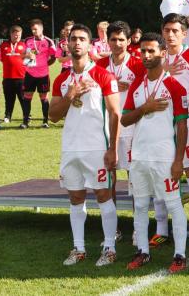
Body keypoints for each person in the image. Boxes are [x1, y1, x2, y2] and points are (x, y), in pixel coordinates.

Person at [48, 23, 120, 267]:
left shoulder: (103, 75)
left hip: (97, 148)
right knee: (75, 197)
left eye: (81, 39)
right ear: (67, 45)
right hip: (71, 148)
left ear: (90, 45)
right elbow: (53, 115)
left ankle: (109, 248)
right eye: (73, 39)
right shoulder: (61, 80)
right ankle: (78, 248)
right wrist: (72, 94)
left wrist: (112, 148)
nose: (77, 43)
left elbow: (115, 114)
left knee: (103, 195)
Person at [121, 33, 189, 274]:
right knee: (139, 205)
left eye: (151, 51)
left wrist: (179, 159)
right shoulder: (137, 85)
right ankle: (142, 251)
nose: (146, 56)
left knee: (173, 205)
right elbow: (126, 119)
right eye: (143, 51)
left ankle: (180, 254)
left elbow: (182, 125)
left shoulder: (174, 85)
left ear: (162, 53)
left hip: (164, 157)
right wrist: (145, 108)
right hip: (139, 156)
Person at [149, 14, 189, 249]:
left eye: (176, 30)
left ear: (185, 33)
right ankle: (162, 228)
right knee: (161, 179)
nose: (171, 35)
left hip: (187, 124)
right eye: (167, 30)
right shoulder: (155, 57)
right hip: (160, 125)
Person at [96, 21, 145, 237]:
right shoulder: (99, 67)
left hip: (133, 129)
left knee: (136, 181)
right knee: (109, 179)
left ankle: (138, 228)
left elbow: (147, 90)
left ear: (128, 41)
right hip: (107, 129)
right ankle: (112, 228)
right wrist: (111, 83)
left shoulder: (138, 64)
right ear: (108, 41)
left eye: (121, 39)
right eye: (113, 39)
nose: (117, 43)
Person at [21, 18, 59, 129]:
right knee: (27, 97)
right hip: (30, 73)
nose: (34, 31)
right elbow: (23, 55)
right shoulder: (28, 40)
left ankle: (45, 121)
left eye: (36, 29)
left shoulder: (48, 41)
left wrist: (45, 65)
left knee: (44, 98)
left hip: (43, 75)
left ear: (41, 29)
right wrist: (27, 56)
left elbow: (54, 57)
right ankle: (25, 121)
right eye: (32, 30)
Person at [0, 25, 26, 123]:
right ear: (11, 34)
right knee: (9, 99)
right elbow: (2, 59)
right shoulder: (4, 45)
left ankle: (26, 115)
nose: (17, 37)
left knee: (23, 98)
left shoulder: (24, 45)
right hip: (8, 77)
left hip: (21, 77)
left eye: (19, 36)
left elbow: (29, 60)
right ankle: (7, 116)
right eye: (15, 35)